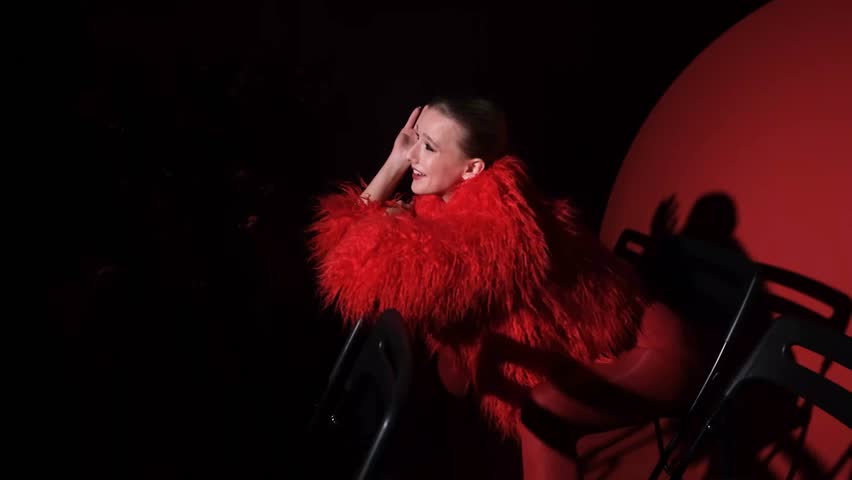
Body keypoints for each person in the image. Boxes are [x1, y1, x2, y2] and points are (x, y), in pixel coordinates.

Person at [307, 97, 704, 479]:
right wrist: (396, 159)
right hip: (610, 341)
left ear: (471, 169)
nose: (413, 155)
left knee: (542, 414)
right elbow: (341, 244)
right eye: (414, 141)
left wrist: (391, 175)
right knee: (466, 383)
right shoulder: (440, 205)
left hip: (653, 350)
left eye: (428, 146)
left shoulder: (492, 233)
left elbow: (346, 268)